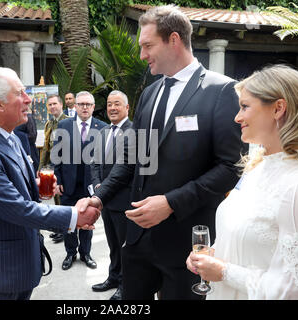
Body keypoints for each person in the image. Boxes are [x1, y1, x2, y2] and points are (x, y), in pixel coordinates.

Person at [77, 5, 246, 299]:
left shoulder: (223, 91)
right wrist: (99, 198)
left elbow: (231, 167)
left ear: (174, 40)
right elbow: (133, 158)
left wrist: (171, 202)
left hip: (186, 246)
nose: (142, 55)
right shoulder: (149, 94)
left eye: (147, 45)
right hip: (139, 241)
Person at [0, 67, 100, 300]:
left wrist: (36, 186)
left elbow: (11, 186)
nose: (28, 99)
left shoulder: (10, 136)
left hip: (18, 267)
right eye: (19, 93)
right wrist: (74, 216)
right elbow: (15, 207)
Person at [186, 65, 298, 299]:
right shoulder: (258, 167)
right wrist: (211, 257)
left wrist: (224, 271)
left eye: (244, 107)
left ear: (278, 109)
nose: (237, 117)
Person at [53, 91, 106, 271]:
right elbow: (57, 155)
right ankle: (70, 253)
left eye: (88, 104)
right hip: (68, 183)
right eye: (81, 104)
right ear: (74, 106)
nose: (84, 107)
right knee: (69, 221)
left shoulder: (102, 128)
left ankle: (85, 253)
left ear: (93, 107)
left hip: (90, 185)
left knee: (87, 220)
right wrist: (58, 179)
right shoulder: (63, 125)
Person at [90, 90, 132, 300]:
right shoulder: (103, 132)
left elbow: (124, 170)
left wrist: (103, 190)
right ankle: (113, 277)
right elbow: (95, 162)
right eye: (109, 104)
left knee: (125, 246)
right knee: (112, 243)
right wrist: (98, 186)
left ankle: (126, 285)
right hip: (105, 200)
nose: (112, 108)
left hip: (124, 200)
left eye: (117, 104)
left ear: (127, 108)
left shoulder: (134, 132)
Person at [40, 94, 69, 244]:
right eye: (49, 105)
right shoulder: (49, 124)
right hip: (52, 164)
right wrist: (41, 168)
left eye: (54, 104)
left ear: (61, 105)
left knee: (63, 196)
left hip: (64, 166)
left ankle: (66, 229)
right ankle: (61, 229)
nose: (52, 107)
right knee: (55, 197)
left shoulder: (68, 122)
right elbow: (46, 147)